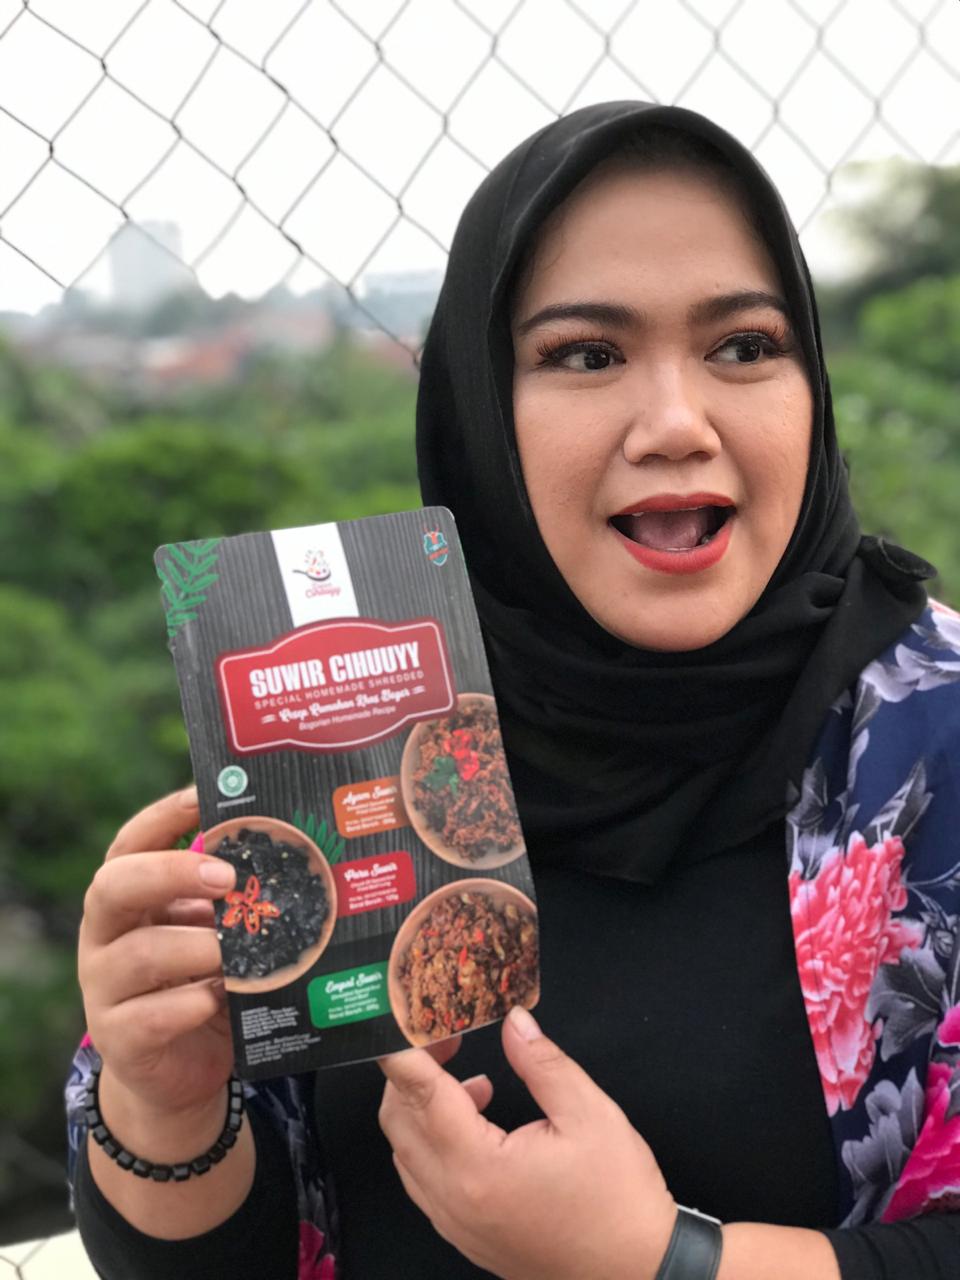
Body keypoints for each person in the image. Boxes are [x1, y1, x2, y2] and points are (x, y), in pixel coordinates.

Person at [67, 101, 960, 1279]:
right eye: (586, 354)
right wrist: (164, 1110)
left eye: (744, 345)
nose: (676, 422)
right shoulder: (343, 729)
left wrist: (662, 1260)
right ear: (480, 409)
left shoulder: (932, 745)